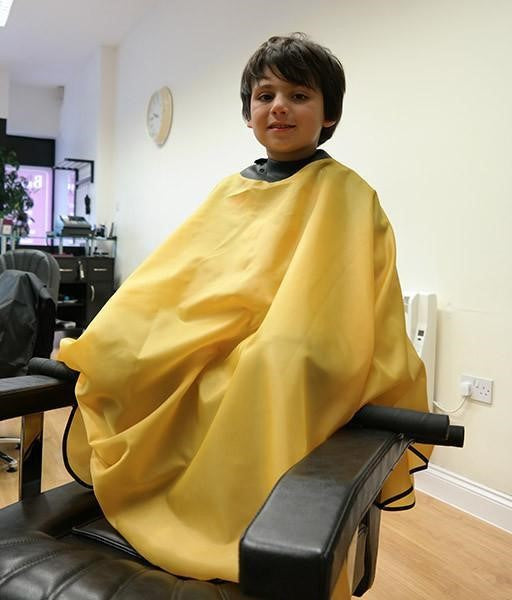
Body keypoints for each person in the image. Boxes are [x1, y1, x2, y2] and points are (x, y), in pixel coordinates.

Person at [58, 33, 430, 595]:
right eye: (264, 95)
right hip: (211, 352)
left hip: (287, 360)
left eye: (299, 95)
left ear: (329, 116)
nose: (278, 106)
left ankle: (256, 527)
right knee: (135, 353)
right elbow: (166, 291)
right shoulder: (227, 193)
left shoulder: (349, 195)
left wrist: (269, 344)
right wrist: (102, 345)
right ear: (249, 113)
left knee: (274, 364)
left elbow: (347, 307)